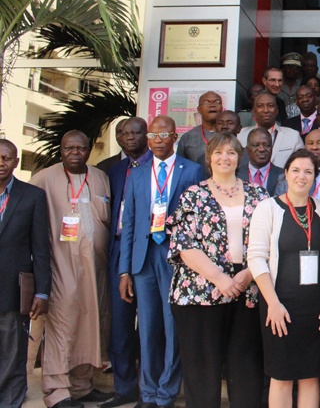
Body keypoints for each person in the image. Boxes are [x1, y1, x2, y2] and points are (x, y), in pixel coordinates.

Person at [167, 133, 267, 408]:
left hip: (248, 288)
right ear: (209, 158)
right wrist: (220, 279)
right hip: (199, 290)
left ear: (239, 157)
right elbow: (184, 245)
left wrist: (248, 274)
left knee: (246, 364)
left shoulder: (259, 194)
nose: (225, 158)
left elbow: (271, 240)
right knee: (202, 367)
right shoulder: (193, 194)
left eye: (231, 152)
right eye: (219, 153)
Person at [119, 116, 205, 408]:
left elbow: (197, 219)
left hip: (177, 258)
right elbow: (128, 224)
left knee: (172, 326)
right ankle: (148, 392)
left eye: (163, 134)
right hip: (143, 259)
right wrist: (125, 271)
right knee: (147, 326)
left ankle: (167, 392)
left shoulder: (192, 170)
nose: (157, 140)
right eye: (153, 135)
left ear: (174, 137)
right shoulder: (137, 173)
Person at [30, 131, 114, 408]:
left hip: (96, 269)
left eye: (81, 147)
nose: (75, 152)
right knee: (62, 326)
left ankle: (81, 386)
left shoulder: (101, 177)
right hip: (60, 266)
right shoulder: (44, 178)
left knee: (91, 325)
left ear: (89, 149)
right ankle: (57, 391)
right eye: (69, 148)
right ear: (61, 150)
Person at [248, 149, 320, 408]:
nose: (302, 176)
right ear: (285, 174)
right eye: (296, 170)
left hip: (317, 308)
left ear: (316, 177)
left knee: (310, 376)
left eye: (308, 171)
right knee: (281, 376)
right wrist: (272, 303)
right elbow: (256, 258)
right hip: (279, 306)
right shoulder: (267, 208)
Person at [103, 117, 150, 408]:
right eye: (123, 133)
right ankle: (124, 387)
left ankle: (151, 387)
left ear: (146, 134)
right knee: (119, 323)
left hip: (147, 251)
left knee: (149, 322)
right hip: (119, 250)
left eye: (135, 132)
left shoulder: (159, 167)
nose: (129, 137)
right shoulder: (111, 170)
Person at [0, 139, 50, 408]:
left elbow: (40, 249)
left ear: (16, 162)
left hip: (12, 289)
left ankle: (10, 400)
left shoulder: (32, 196)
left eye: (7, 158)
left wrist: (42, 291)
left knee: (13, 352)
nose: (1, 163)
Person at [237, 91, 304, 169]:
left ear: (276, 110)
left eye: (270, 106)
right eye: (260, 106)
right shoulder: (240, 136)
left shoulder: (293, 136)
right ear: (253, 111)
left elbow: (301, 166)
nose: (266, 110)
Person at [176, 91, 222, 168]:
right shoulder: (187, 137)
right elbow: (180, 167)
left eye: (216, 102)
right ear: (199, 109)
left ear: (221, 108)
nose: (212, 105)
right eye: (207, 103)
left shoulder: (229, 135)